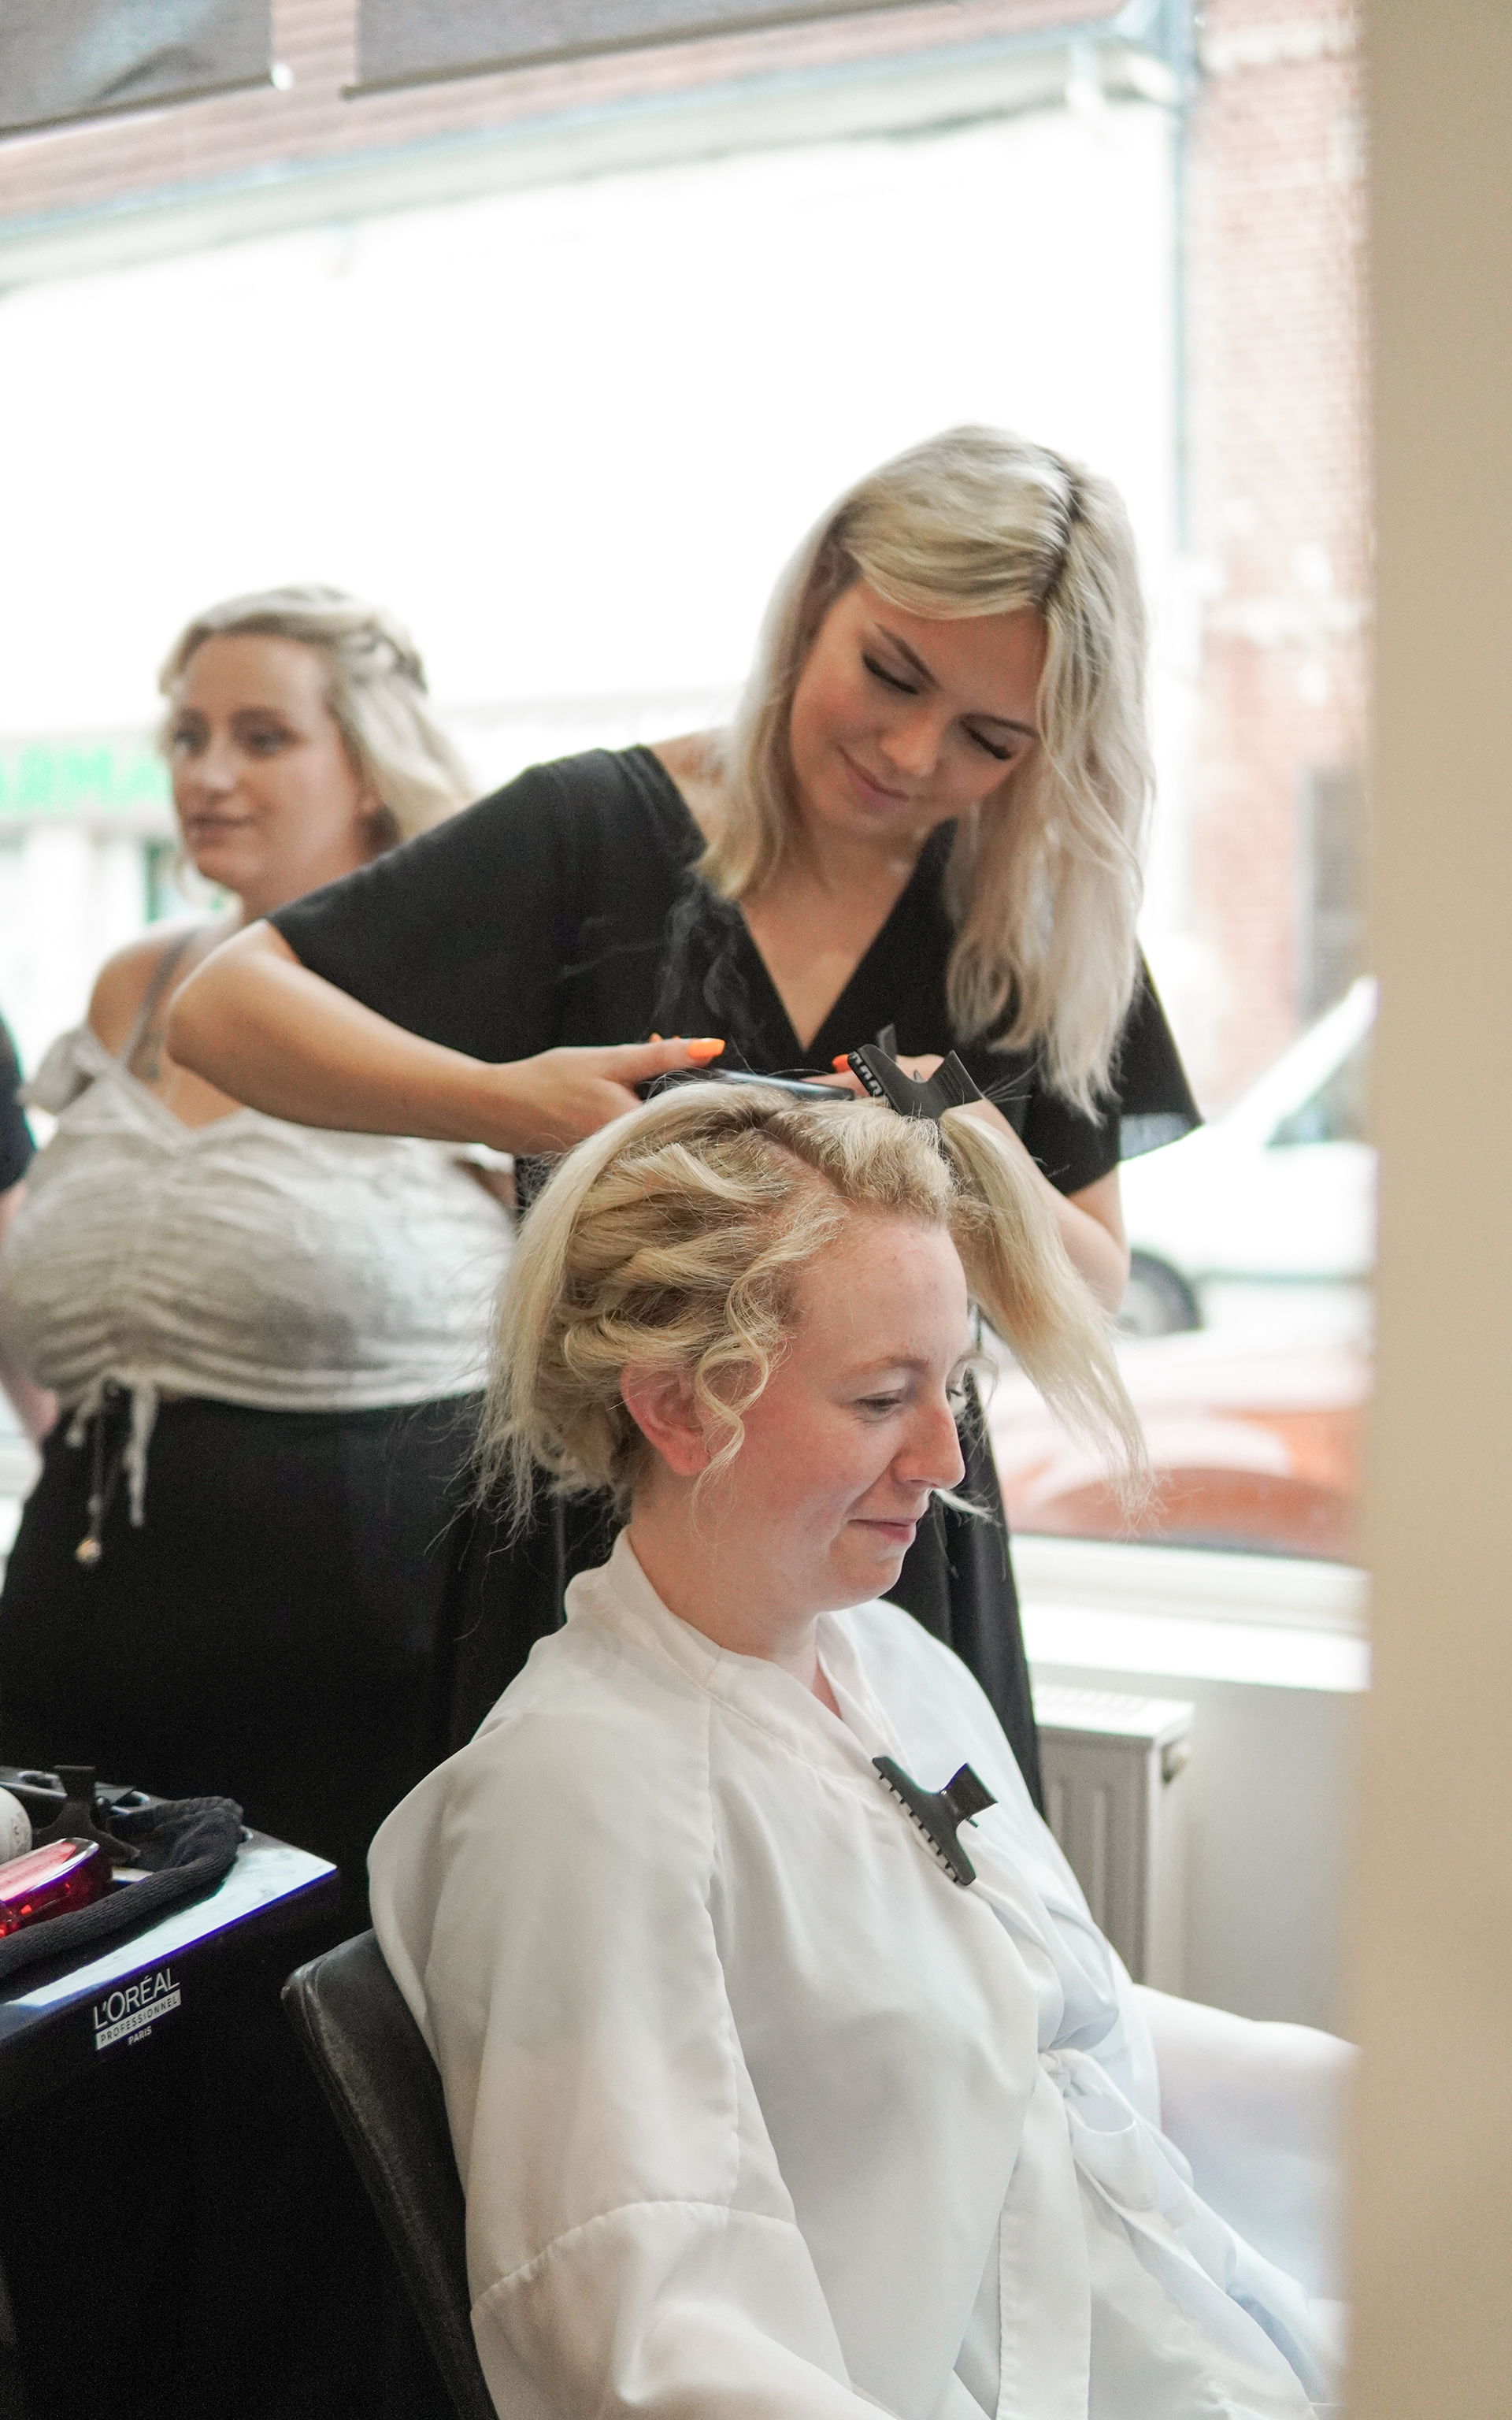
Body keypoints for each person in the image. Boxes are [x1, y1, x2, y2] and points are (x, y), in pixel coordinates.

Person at [167, 428, 1200, 1800]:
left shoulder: (1034, 926)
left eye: (989, 740)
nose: (910, 752)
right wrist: (502, 1100)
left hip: (890, 1552)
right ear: (820, 592)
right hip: (601, 1534)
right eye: (891, 674)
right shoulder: (592, 833)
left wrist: (964, 1135)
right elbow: (222, 1010)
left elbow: (1092, 1288)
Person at [369, 1082, 1348, 2420]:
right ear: (679, 1408)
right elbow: (651, 2348)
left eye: (956, 1386)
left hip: (1188, 2330)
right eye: (884, 1397)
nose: (944, 1458)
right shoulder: (578, 1806)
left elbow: (1063, 2027)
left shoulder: (894, 1667)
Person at [0, 585, 513, 1921]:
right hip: (76, 1634)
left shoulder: (467, 990)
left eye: (263, 737)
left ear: (370, 765)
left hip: (366, 1653)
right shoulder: (136, 985)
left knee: (313, 2023)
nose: (208, 773)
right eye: (187, 736)